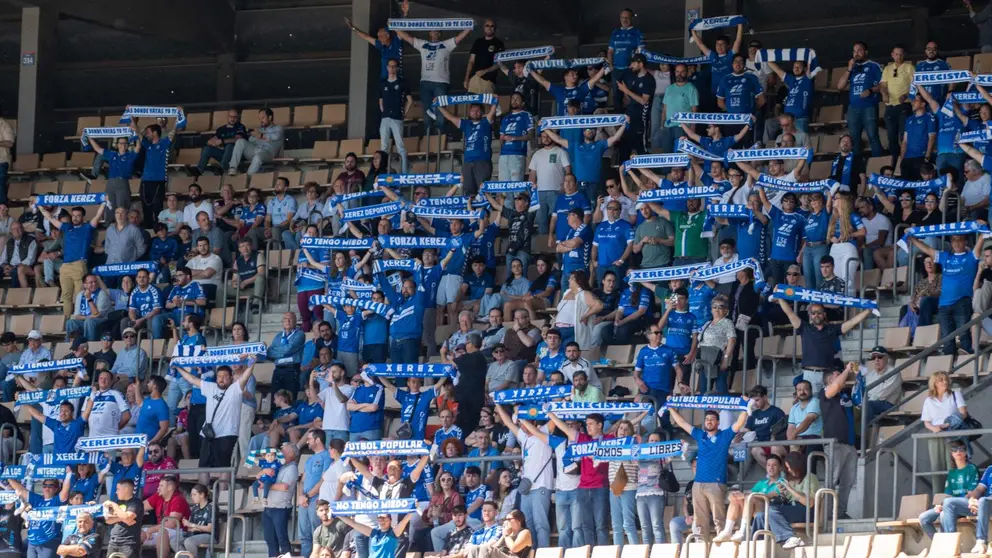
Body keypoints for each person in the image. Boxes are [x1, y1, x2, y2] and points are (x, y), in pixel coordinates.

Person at [667, 403, 749, 542]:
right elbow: (681, 422)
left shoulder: (725, 435)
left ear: (718, 422)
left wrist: (746, 406)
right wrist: (670, 407)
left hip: (716, 483)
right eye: (707, 419)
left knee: (719, 519)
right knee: (699, 520)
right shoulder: (700, 435)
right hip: (698, 484)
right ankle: (701, 549)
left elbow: (740, 422)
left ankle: (722, 551)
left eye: (712, 419)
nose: (709, 421)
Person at [393, 9, 473, 134]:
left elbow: (459, 38)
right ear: (429, 32)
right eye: (432, 30)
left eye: (437, 30)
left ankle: (440, 139)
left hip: (441, 82)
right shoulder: (422, 44)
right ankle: (428, 141)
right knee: (427, 113)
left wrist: (469, 27)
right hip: (425, 82)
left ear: (439, 33)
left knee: (440, 111)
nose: (434, 32)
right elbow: (407, 37)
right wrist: (394, 27)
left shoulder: (446, 44)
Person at [175, 362, 255, 480]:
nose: (222, 379)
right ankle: (203, 494)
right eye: (219, 376)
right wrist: (178, 367)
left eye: (225, 377)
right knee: (203, 467)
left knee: (224, 467)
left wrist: (252, 363)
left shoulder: (235, 388)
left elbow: (246, 376)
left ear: (231, 378)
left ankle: (223, 495)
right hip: (209, 433)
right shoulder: (210, 387)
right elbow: (192, 379)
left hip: (227, 434)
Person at [775, 298, 872, 393]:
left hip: (827, 375)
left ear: (824, 314)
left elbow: (852, 322)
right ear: (810, 315)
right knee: (812, 407)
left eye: (819, 312)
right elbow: (790, 313)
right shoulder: (804, 327)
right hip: (809, 374)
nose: (816, 315)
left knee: (826, 406)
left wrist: (868, 310)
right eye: (813, 313)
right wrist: (780, 298)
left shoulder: (832, 329)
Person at [909, 231, 982, 355]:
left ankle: (967, 367)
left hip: (962, 302)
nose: (957, 243)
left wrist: (982, 229)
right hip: (943, 304)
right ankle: (949, 367)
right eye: (954, 240)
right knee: (947, 338)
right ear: (951, 243)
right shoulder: (946, 256)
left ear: (965, 242)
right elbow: (927, 249)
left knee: (964, 334)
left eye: (960, 240)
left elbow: (981, 242)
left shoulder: (971, 256)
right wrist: (912, 239)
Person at [35, 201, 105, 319]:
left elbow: (98, 215)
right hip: (65, 265)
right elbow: (50, 218)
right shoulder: (67, 227)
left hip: (79, 264)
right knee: (66, 296)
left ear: (83, 217)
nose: (75, 218)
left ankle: (79, 321)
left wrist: (103, 203)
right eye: (73, 215)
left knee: (79, 295)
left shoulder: (87, 228)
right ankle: (68, 323)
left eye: (78, 215)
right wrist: (40, 206)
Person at [918, 439, 978, 540]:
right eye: (955, 449)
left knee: (944, 513)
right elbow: (948, 495)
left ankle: (952, 545)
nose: (958, 452)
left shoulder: (971, 468)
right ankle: (940, 545)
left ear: (966, 452)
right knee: (923, 518)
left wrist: (947, 504)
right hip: (949, 505)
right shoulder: (952, 472)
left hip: (965, 505)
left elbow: (972, 494)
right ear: (951, 453)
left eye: (961, 449)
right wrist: (942, 505)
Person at [436, 101, 497, 197]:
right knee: (468, 193)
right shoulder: (466, 124)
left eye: (478, 110)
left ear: (482, 113)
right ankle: (470, 211)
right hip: (467, 163)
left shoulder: (486, 123)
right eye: (473, 110)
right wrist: (439, 106)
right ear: (469, 112)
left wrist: (494, 102)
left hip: (482, 162)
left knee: (483, 192)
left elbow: (492, 111)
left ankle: (482, 212)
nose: (475, 112)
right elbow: (450, 117)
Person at [922, 371, 969, 492]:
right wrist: (933, 428)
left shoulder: (955, 394)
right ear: (935, 383)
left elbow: (963, 413)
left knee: (952, 465)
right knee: (936, 467)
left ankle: (955, 494)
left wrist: (948, 424)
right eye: (941, 380)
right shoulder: (929, 400)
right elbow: (926, 421)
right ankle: (937, 498)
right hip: (935, 434)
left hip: (952, 433)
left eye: (946, 379)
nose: (944, 382)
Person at [837, 41, 883, 157]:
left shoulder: (874, 66)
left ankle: (878, 165)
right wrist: (849, 69)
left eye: (859, 50)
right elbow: (840, 86)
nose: (856, 53)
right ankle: (857, 167)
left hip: (869, 106)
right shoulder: (852, 68)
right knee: (854, 139)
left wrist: (871, 90)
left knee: (872, 136)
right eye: (854, 51)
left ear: (865, 52)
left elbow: (884, 84)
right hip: (853, 108)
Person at [260, 443, 299, 558]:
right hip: (269, 508)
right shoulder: (279, 466)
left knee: (282, 540)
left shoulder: (292, 468)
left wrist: (266, 486)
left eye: (283, 451)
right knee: (270, 540)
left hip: (280, 509)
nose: (280, 454)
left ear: (291, 454)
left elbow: (284, 487)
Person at [879, 45, 914, 167]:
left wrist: (906, 94)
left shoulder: (909, 67)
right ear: (892, 55)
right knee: (891, 136)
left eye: (901, 54)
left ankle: (905, 161)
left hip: (904, 105)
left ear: (904, 55)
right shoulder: (888, 69)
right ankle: (893, 162)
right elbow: (883, 84)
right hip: (890, 106)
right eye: (896, 54)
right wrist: (884, 93)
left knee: (903, 135)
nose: (898, 56)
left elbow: (915, 85)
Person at [379, 59, 412, 174]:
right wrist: (384, 111)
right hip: (385, 118)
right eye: (390, 66)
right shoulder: (383, 83)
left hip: (397, 117)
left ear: (397, 68)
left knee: (400, 146)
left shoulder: (402, 83)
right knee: (384, 147)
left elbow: (410, 100)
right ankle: (383, 172)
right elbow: (380, 100)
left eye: (394, 66)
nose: (392, 68)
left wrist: (404, 113)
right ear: (387, 68)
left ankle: (404, 173)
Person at [229, 108, 284, 176]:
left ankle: (247, 178)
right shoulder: (260, 129)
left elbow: (276, 137)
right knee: (240, 141)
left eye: (263, 118)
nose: (261, 120)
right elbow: (252, 140)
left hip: (268, 153)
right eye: (260, 118)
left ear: (270, 117)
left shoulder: (278, 128)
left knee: (258, 157)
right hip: (255, 150)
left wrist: (261, 135)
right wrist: (248, 135)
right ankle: (232, 168)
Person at [338, 511, 415, 558]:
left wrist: (413, 509)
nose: (382, 521)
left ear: (390, 520)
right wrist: (338, 514)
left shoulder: (393, 533)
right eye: (380, 519)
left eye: (384, 519)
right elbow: (353, 523)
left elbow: (404, 521)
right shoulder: (374, 533)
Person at [497, 93, 534, 182]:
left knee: (516, 184)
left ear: (523, 103)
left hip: (517, 153)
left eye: (517, 99)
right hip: (504, 155)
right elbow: (501, 137)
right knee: (503, 186)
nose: (514, 101)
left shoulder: (526, 115)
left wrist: (514, 138)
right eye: (513, 98)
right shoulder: (506, 117)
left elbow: (531, 135)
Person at [103, 478, 143, 558]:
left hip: (129, 542)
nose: (116, 492)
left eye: (118, 489)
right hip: (113, 541)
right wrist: (123, 517)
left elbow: (128, 518)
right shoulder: (118, 502)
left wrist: (114, 506)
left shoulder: (136, 502)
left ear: (126, 489)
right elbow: (107, 520)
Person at [463, 19, 504, 93]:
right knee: (471, 103)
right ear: (484, 27)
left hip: (488, 80)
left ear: (495, 28)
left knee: (486, 104)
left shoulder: (499, 43)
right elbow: (471, 61)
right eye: (487, 25)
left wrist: (485, 71)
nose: (489, 27)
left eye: (492, 26)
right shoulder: (478, 41)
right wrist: (466, 78)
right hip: (474, 78)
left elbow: (499, 64)